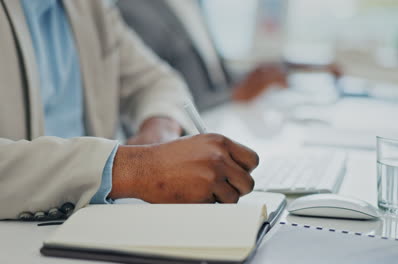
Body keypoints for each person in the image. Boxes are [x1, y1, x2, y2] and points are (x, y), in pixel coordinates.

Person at [0, 0, 258, 221]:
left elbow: (157, 80)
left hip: (96, 219)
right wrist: (137, 169)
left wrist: (160, 132)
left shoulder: (89, 6)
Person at [117, 0, 342, 111]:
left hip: (227, 125)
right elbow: (158, 103)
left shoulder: (194, 5)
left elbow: (216, 74)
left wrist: (259, 77)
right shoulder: (134, 10)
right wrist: (235, 96)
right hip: (192, 138)